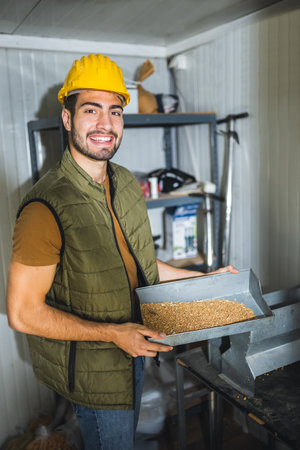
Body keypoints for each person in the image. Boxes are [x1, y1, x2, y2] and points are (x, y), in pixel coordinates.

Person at [6, 54, 238, 450]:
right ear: (67, 119)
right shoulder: (45, 207)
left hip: (133, 349)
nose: (105, 124)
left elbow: (143, 265)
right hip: (95, 373)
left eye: (115, 111)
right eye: (91, 110)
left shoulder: (125, 182)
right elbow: (23, 314)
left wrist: (206, 280)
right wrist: (115, 334)